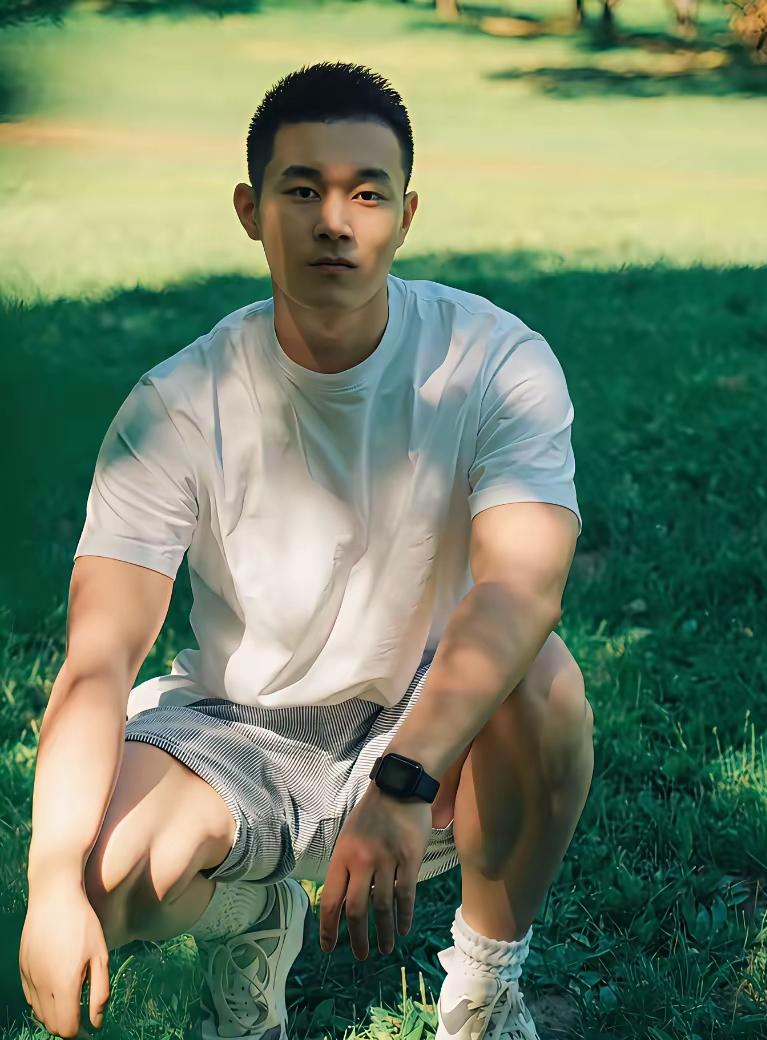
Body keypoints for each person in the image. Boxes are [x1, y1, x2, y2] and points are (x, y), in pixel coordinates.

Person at [19, 61, 594, 1040]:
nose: (335, 221)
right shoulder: (175, 406)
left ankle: (482, 991)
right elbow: (98, 661)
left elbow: (520, 589)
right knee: (106, 878)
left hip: (426, 716)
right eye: (302, 190)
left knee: (541, 682)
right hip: (241, 722)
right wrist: (49, 886)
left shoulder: (495, 360)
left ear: (406, 215)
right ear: (250, 211)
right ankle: (253, 916)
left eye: (367, 193)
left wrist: (404, 778)